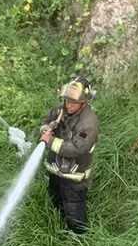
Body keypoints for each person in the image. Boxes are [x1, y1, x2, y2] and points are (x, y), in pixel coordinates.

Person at [39, 78, 100, 234]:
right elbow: (46, 119)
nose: (69, 105)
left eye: (73, 103)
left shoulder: (89, 123)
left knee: (74, 211)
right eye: (67, 100)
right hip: (56, 170)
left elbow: (77, 148)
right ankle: (60, 228)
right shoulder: (60, 110)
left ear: (84, 102)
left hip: (74, 177)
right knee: (56, 200)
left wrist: (50, 141)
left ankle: (78, 238)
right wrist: (45, 128)